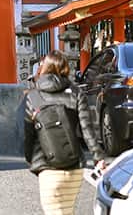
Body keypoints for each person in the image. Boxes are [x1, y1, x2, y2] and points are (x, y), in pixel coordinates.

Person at [22, 52, 102, 215]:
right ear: (66, 68)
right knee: (67, 211)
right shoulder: (76, 93)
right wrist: (98, 158)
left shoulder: (33, 96)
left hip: (48, 168)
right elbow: (87, 131)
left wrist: (31, 159)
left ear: (43, 69)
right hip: (74, 167)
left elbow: (27, 136)